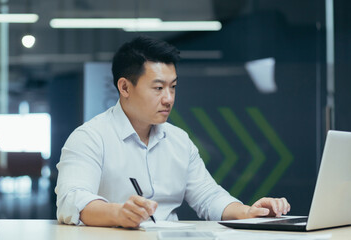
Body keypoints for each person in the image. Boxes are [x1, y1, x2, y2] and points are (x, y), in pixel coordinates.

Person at [55, 36, 291, 228]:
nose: (168, 99)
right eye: (158, 88)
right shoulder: (90, 138)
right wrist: (118, 213)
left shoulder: (179, 140)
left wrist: (248, 211)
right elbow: (72, 199)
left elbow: (208, 197)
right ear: (125, 87)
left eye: (173, 87)